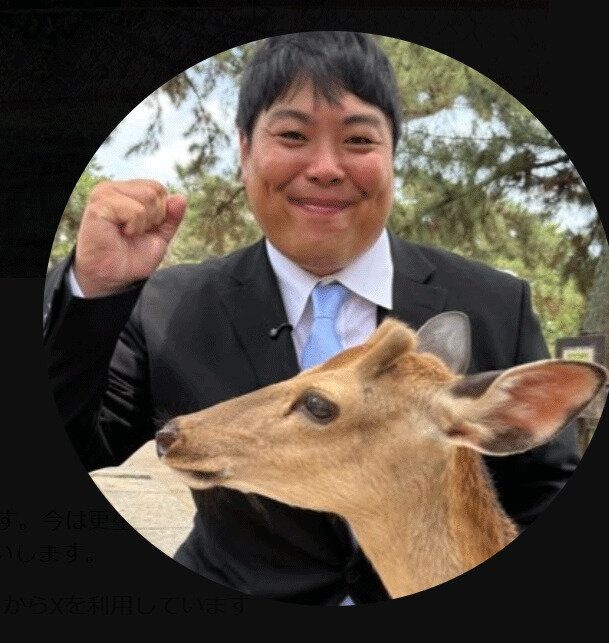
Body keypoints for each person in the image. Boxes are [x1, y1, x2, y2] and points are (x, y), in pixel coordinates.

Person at [43, 32, 581, 605]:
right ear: (245, 149)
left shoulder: (495, 302)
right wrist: (94, 289)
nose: (326, 168)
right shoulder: (168, 305)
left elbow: (546, 489)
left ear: (392, 155)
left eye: (358, 140)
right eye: (293, 136)